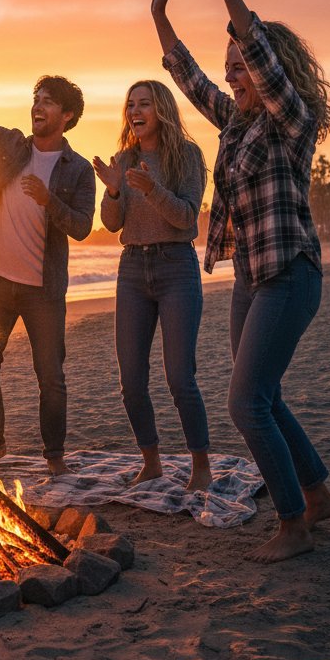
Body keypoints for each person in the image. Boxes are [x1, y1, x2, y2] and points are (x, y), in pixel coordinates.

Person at [151, 0, 330, 562]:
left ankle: (292, 523)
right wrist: (161, 15)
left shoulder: (293, 120)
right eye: (231, 66)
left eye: (243, 65)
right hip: (251, 277)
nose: (233, 74)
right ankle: (316, 494)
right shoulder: (235, 120)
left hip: (290, 273)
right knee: (262, 395)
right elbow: (186, 74)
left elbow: (256, 48)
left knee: (243, 402)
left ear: (270, 68)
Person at [0, 22, 95, 475]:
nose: (37, 107)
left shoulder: (78, 170)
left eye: (47, 101)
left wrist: (51, 202)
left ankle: (55, 459)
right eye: (36, 99)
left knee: (51, 379)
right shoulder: (8, 146)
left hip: (42, 290)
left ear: (67, 116)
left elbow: (83, 227)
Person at [93, 81, 212, 490]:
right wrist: (112, 189)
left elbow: (188, 218)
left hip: (176, 266)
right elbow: (111, 223)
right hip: (132, 271)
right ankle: (152, 461)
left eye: (143, 103)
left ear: (161, 109)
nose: (135, 111)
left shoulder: (187, 156)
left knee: (180, 378)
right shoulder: (124, 159)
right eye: (130, 105)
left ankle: (201, 467)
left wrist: (153, 189)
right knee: (131, 381)